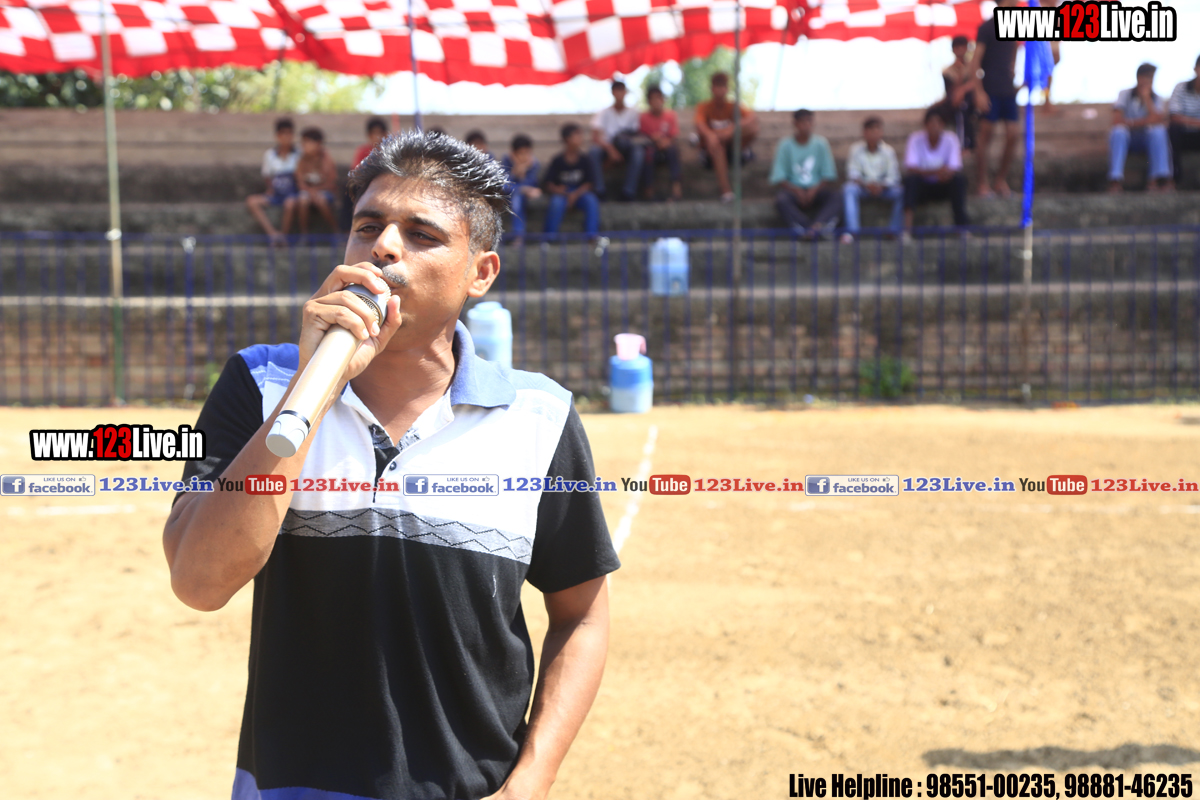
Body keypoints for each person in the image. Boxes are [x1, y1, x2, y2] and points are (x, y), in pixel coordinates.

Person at [163, 131, 619, 800]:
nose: (383, 247)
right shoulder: (260, 385)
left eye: (421, 233)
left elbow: (582, 614)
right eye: (367, 226)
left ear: (481, 273)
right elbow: (199, 582)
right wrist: (310, 391)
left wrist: (531, 781)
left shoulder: (539, 417)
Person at [971, 0, 1020, 197]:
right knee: (986, 135)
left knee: (1013, 134)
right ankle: (982, 183)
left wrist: (1013, 71)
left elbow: (1014, 49)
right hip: (990, 87)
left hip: (1007, 89)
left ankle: (1000, 181)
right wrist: (978, 92)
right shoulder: (987, 27)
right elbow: (975, 61)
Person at [770, 109, 840, 239]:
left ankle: (817, 226)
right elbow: (779, 176)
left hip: (817, 189)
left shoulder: (821, 144)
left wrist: (814, 190)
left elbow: (828, 174)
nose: (806, 125)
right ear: (795, 124)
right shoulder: (785, 145)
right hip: (793, 189)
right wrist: (796, 190)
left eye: (809, 121)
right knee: (781, 200)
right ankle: (806, 229)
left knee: (837, 197)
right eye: (802, 122)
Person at [903, 106, 969, 235]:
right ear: (925, 124)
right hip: (922, 188)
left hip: (943, 185)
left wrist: (942, 174)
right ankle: (907, 230)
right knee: (910, 181)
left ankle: (962, 229)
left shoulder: (951, 139)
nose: (934, 126)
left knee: (959, 181)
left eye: (938, 122)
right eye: (931, 122)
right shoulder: (915, 139)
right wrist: (936, 171)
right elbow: (911, 168)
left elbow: (954, 167)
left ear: (943, 124)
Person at [695, 72, 759, 202]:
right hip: (712, 153)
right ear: (712, 88)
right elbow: (699, 124)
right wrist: (711, 135)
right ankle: (726, 191)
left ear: (727, 88)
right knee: (717, 145)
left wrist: (731, 130)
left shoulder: (733, 106)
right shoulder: (704, 107)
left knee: (752, 128)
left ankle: (743, 151)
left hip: (734, 149)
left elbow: (752, 117)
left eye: (723, 86)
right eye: (717, 86)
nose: (720, 90)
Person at [1109, 63, 1171, 193]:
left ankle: (1155, 180)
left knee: (1158, 132)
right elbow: (1117, 121)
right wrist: (1145, 122)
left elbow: (1158, 121)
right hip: (1128, 140)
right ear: (1139, 77)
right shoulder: (1125, 94)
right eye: (1147, 77)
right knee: (1118, 132)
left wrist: (1147, 99)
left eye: (1151, 77)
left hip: (1146, 140)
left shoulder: (1156, 98)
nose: (1149, 81)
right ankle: (1115, 180)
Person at [841, 117, 903, 243]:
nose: (875, 133)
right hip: (863, 188)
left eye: (878, 130)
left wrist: (881, 186)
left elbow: (894, 176)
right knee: (848, 189)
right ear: (864, 132)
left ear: (882, 132)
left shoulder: (888, 151)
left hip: (884, 189)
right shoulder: (856, 149)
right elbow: (853, 173)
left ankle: (893, 231)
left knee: (900, 192)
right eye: (871, 130)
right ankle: (853, 232)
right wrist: (866, 185)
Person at [246, 117, 299, 244]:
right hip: (276, 194)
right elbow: (267, 176)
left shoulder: (299, 154)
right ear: (277, 136)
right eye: (283, 133)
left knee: (290, 203)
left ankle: (284, 236)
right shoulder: (269, 155)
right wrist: (270, 189)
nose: (286, 137)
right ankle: (273, 234)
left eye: (289, 133)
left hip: (292, 194)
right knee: (252, 201)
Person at [589, 80, 643, 201]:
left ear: (625, 92)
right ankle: (599, 190)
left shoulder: (633, 113)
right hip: (607, 147)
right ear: (612, 92)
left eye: (621, 90)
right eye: (616, 90)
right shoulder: (603, 112)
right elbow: (595, 137)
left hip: (626, 148)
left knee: (639, 152)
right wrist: (611, 150)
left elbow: (636, 135)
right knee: (593, 152)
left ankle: (628, 192)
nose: (619, 93)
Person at [545, 123, 601, 238]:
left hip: (580, 193)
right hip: (562, 194)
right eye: (577, 135)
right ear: (567, 139)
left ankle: (591, 236)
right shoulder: (557, 160)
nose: (581, 138)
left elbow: (590, 183)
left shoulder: (586, 159)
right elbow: (548, 183)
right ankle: (549, 238)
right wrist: (558, 190)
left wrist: (575, 195)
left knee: (591, 201)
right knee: (556, 203)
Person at [341, 117, 390, 230]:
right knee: (348, 189)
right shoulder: (363, 151)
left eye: (379, 133)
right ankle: (346, 229)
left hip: (384, 185)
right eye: (374, 133)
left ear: (385, 134)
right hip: (365, 184)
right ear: (369, 135)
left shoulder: (390, 152)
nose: (377, 137)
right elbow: (356, 171)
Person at [639, 85, 682, 201]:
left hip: (667, 148)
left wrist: (665, 142)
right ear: (649, 102)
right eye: (653, 99)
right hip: (652, 149)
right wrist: (654, 140)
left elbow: (673, 136)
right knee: (648, 153)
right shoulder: (644, 117)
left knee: (673, 150)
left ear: (663, 100)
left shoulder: (670, 115)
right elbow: (642, 136)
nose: (656, 101)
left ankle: (676, 188)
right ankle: (649, 190)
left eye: (659, 98)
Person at [294, 126, 339, 234]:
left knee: (321, 200)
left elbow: (331, 182)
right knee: (303, 200)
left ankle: (336, 231)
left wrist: (316, 191)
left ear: (318, 143)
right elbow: (299, 181)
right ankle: (304, 234)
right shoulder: (302, 160)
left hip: (325, 192)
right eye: (303, 142)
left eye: (307, 142)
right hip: (308, 192)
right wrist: (310, 191)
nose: (303, 145)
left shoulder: (326, 159)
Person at [501, 133, 542, 240]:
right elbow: (504, 186)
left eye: (527, 153)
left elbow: (534, 186)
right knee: (517, 199)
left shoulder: (534, 164)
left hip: (528, 197)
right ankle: (518, 236)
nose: (524, 157)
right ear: (513, 154)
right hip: (511, 196)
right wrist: (515, 173)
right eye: (521, 153)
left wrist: (523, 175)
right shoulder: (506, 161)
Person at [942, 35, 979, 152]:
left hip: (971, 101)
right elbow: (951, 92)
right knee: (961, 109)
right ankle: (964, 146)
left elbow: (976, 83)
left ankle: (968, 145)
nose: (960, 50)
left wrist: (963, 90)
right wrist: (960, 73)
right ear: (953, 50)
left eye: (963, 47)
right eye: (957, 48)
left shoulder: (973, 68)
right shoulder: (948, 71)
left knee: (965, 108)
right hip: (956, 104)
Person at [1169, 54, 1200, 189]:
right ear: (1195, 69)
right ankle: (1173, 179)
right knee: (1173, 130)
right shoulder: (1181, 88)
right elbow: (1174, 117)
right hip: (1184, 136)